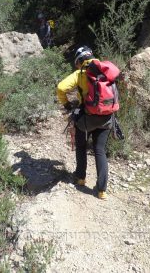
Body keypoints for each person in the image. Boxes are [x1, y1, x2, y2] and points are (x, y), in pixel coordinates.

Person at [57, 46, 113, 200]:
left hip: (87, 116)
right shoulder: (106, 68)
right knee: (100, 150)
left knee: (81, 145)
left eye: (77, 63)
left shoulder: (80, 73)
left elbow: (61, 87)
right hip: (107, 115)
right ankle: (102, 190)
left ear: (80, 60)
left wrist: (68, 105)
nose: (77, 66)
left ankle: (80, 177)